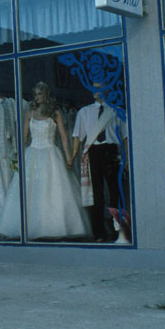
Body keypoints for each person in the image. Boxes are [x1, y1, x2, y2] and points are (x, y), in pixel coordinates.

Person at [0, 82, 90, 240]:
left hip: (51, 153)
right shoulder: (29, 113)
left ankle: (54, 227)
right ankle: (30, 227)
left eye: (40, 93)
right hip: (32, 153)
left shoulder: (55, 113)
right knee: (31, 191)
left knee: (52, 189)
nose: (37, 97)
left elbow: (64, 137)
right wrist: (18, 156)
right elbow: (24, 137)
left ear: (46, 95)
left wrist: (68, 156)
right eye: (35, 94)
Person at [69, 86, 126, 242]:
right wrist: (73, 156)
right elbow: (77, 136)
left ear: (108, 89)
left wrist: (127, 158)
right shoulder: (84, 112)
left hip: (111, 152)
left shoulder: (117, 111)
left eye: (100, 87)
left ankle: (117, 231)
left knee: (115, 193)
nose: (96, 90)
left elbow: (125, 137)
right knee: (96, 194)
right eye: (94, 87)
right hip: (93, 152)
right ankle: (99, 233)